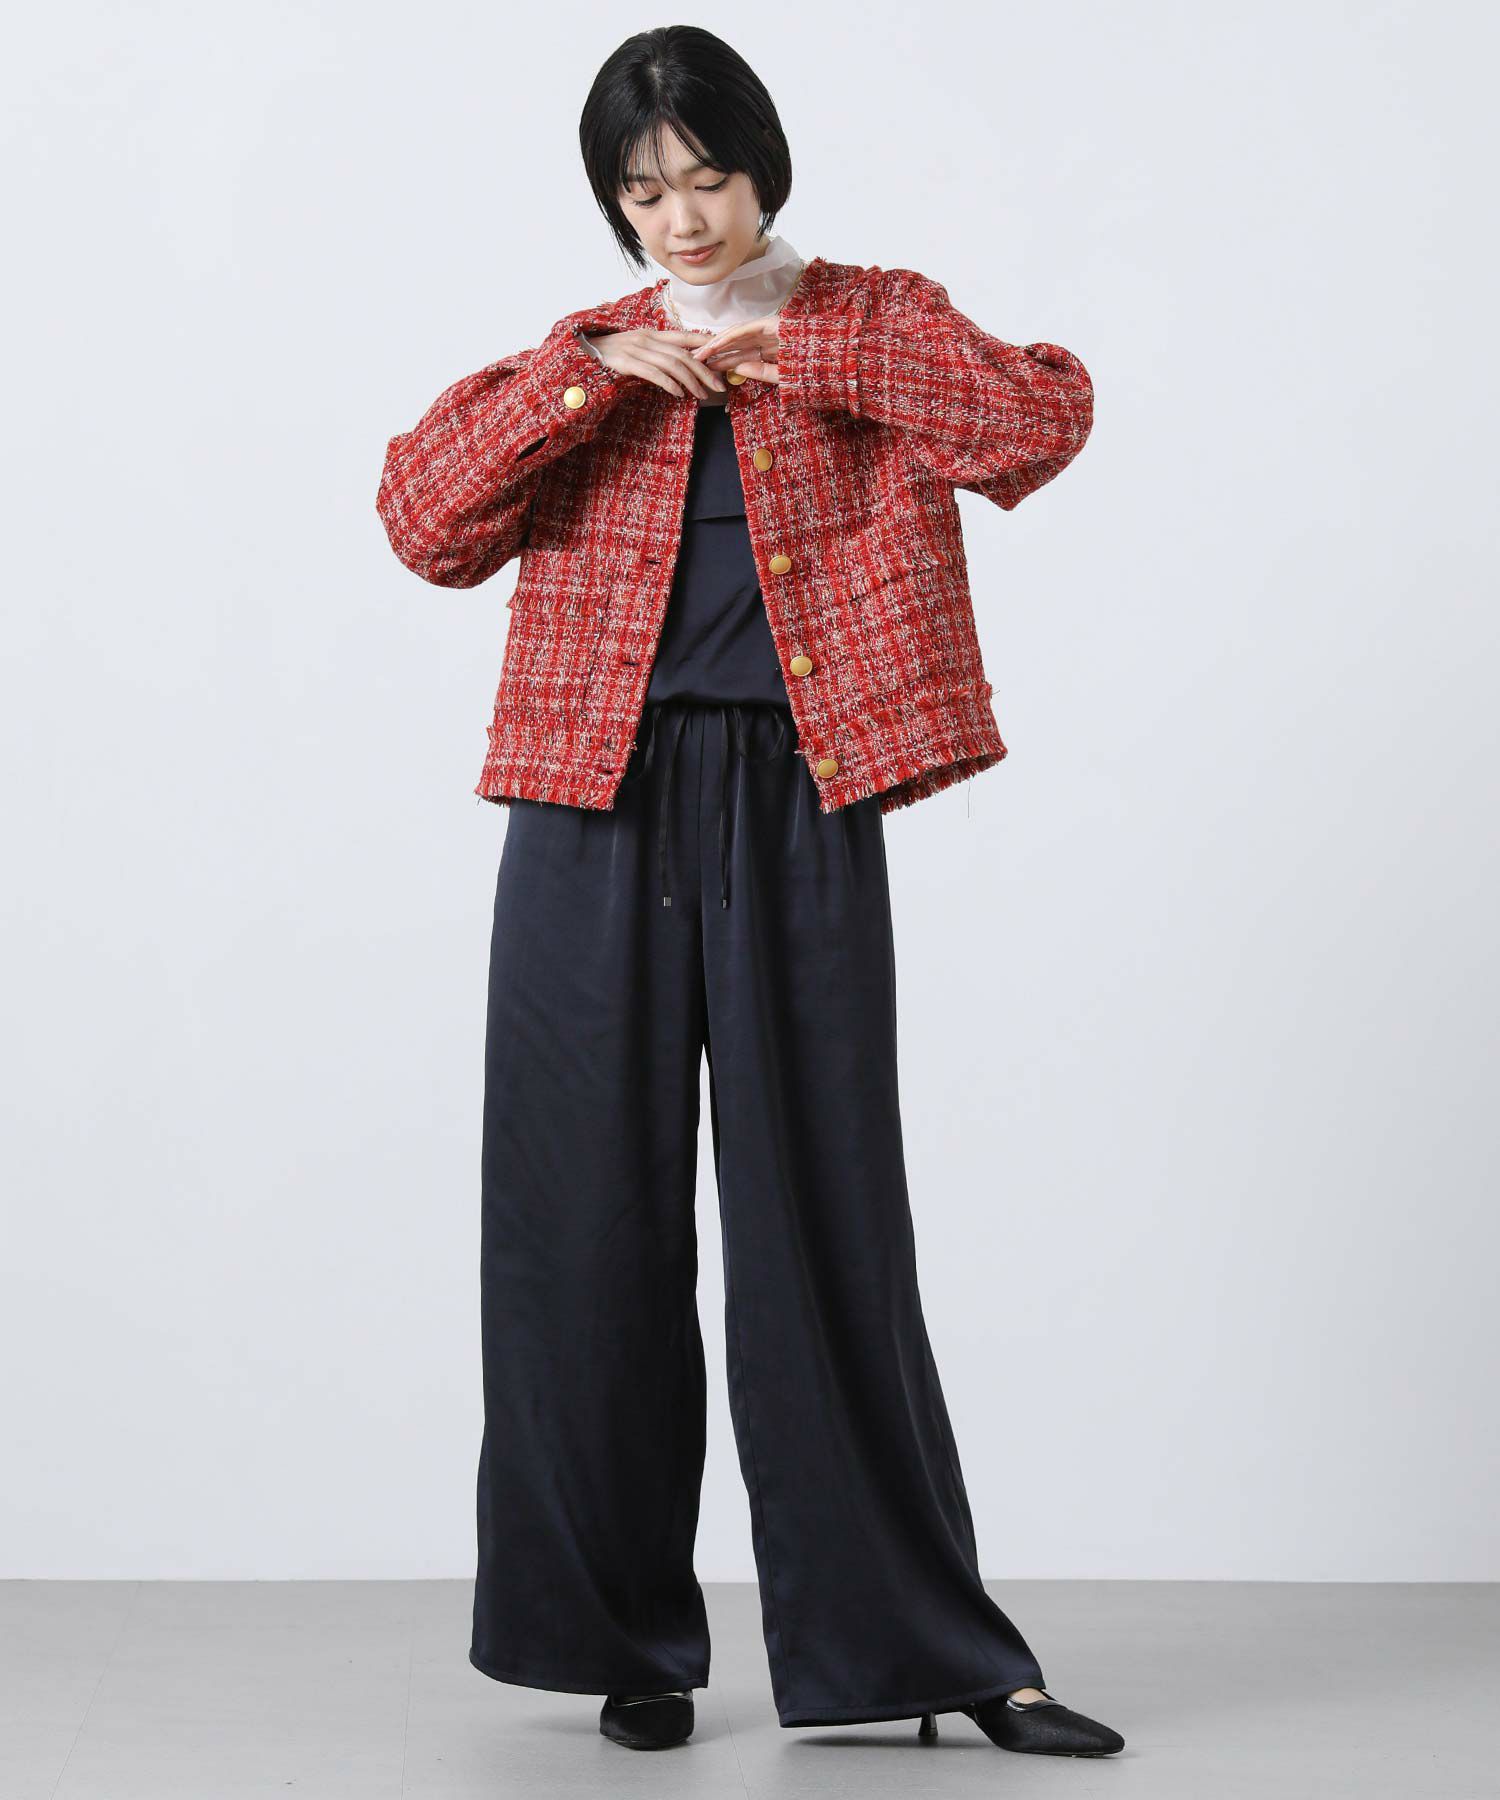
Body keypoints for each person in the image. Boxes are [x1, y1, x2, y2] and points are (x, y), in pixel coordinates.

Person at [375, 23, 1122, 1761]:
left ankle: (931, 1654)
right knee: (580, 1226)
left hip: (798, 792)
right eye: (645, 193)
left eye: (707, 179)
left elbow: (1037, 422)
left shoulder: (871, 315)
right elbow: (421, 524)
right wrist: (594, 383)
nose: (683, 219)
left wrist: (815, 352)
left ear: (762, 170)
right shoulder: (585, 351)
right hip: (589, 805)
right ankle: (621, 1644)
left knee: (825, 1219)